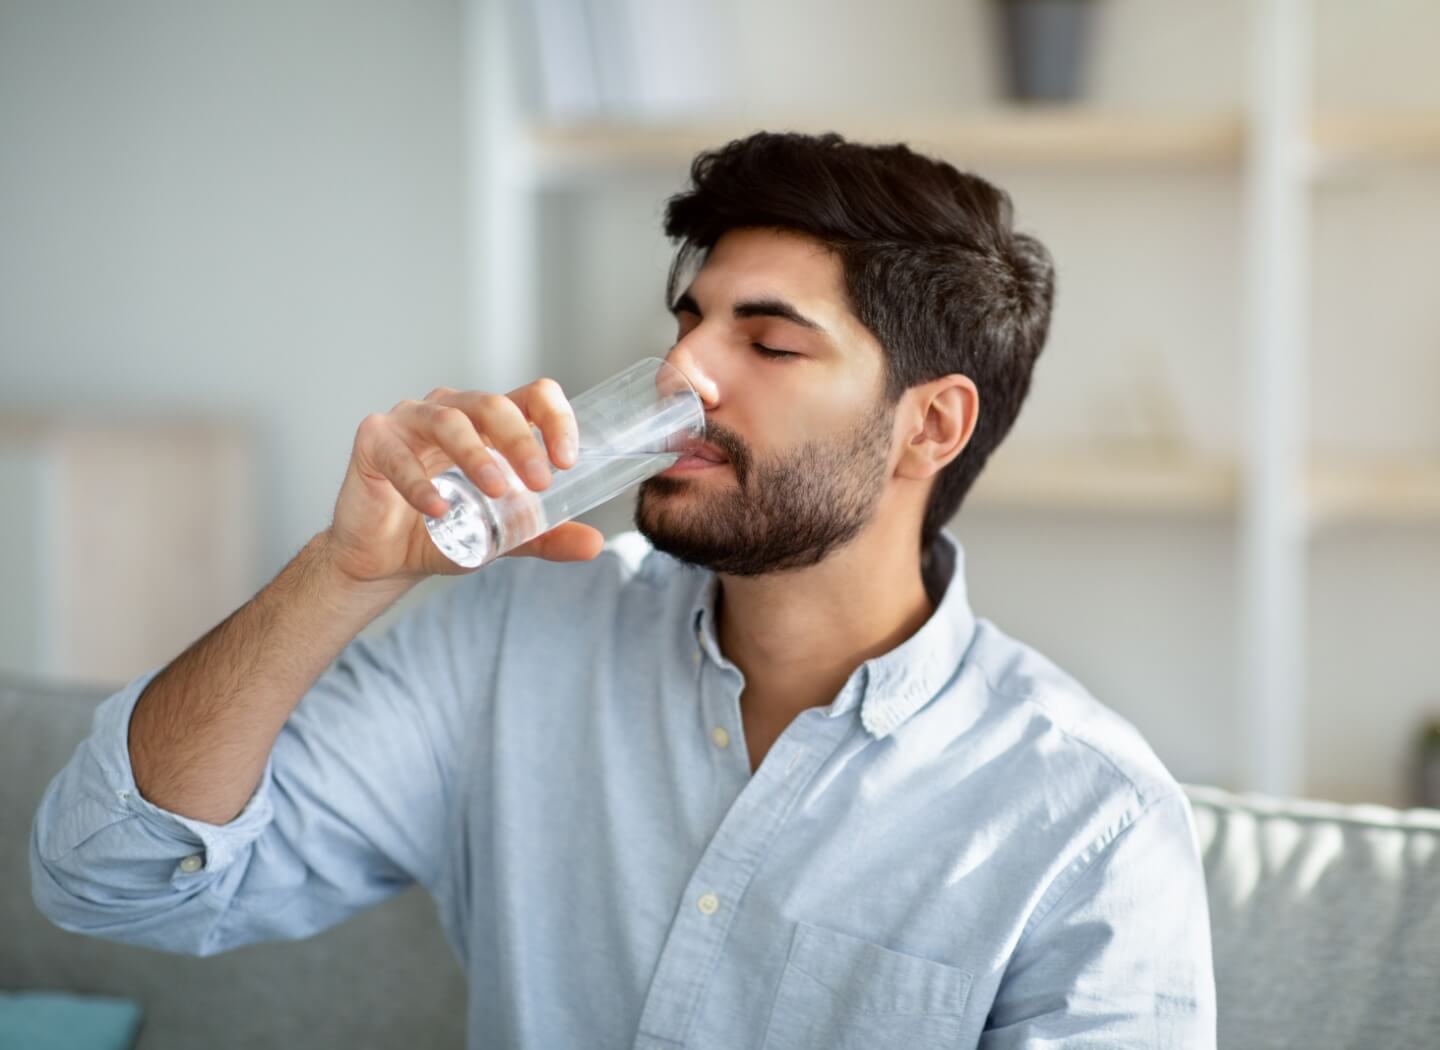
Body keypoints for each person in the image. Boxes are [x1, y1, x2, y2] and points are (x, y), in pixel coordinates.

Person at [32, 131, 1215, 1048]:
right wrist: (339, 576)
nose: (682, 372)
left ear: (929, 425)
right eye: (690, 322)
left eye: (769, 341)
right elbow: (110, 880)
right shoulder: (516, 634)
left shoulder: (1083, 818)